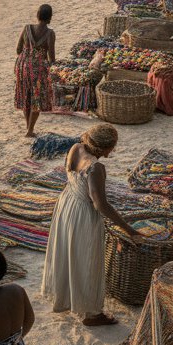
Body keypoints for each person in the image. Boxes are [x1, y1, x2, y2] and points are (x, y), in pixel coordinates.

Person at [41, 124, 143, 326]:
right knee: (87, 259)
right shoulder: (95, 168)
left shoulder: (76, 148)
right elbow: (100, 204)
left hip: (67, 204)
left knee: (69, 253)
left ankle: (67, 297)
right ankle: (91, 314)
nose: (112, 151)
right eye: (112, 147)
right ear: (104, 148)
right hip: (83, 215)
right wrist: (129, 230)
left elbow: (71, 172)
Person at [14, 4, 55, 138]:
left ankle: (28, 127)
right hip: (38, 69)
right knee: (36, 98)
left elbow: (18, 50)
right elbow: (51, 58)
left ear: (37, 16)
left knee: (27, 96)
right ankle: (30, 130)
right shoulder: (50, 34)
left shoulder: (27, 29)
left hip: (23, 66)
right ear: (50, 18)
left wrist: (28, 54)